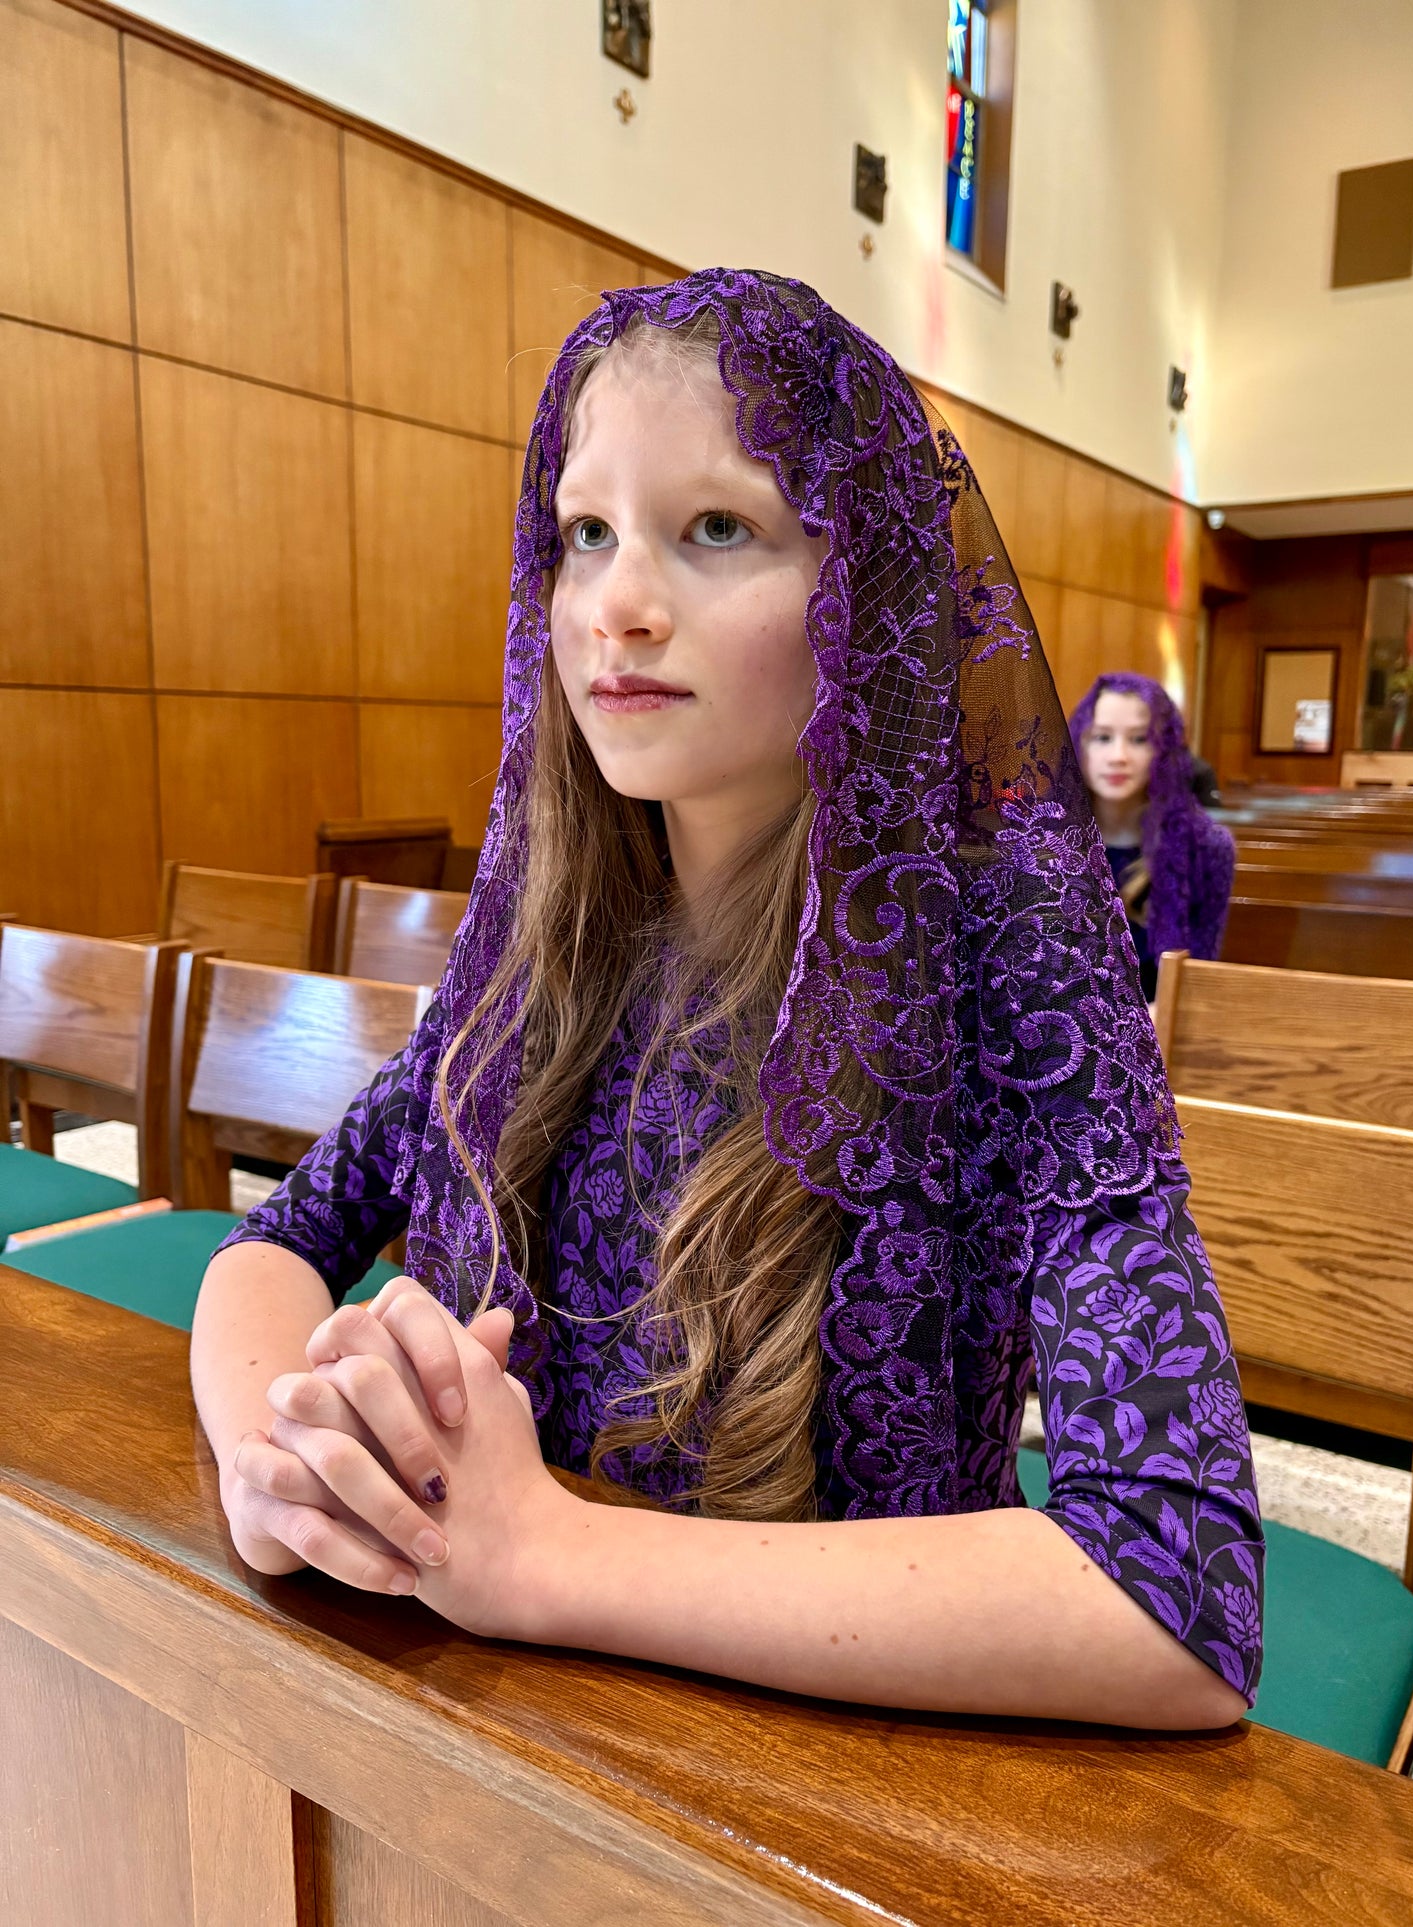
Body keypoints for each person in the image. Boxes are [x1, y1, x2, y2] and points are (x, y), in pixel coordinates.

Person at [191, 271, 1262, 1727]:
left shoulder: (1005, 960)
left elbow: (1174, 1602)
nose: (616, 606)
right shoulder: (550, 927)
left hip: (826, 1767)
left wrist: (551, 1554)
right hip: (494, 1726)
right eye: (585, 534)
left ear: (867, 589)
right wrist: (277, 1459)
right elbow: (279, 1236)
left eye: (714, 528)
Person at [1069, 674, 1236, 1001]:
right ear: (1079, 743)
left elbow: (1196, 977)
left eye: (1139, 739)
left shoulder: (1206, 847)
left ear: (1164, 750)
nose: (1118, 756)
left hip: (1156, 1033)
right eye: (1102, 738)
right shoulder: (1043, 838)